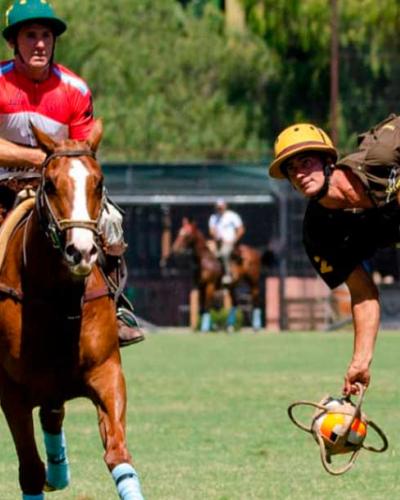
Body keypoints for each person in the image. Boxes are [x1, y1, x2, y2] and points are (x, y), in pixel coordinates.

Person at [0, 0, 144, 347]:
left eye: (46, 36)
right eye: (30, 35)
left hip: (59, 191)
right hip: (2, 186)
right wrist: (41, 158)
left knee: (110, 221)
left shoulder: (75, 89)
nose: (39, 44)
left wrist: (54, 168)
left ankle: (117, 307)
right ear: (13, 43)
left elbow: (83, 154)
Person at [268, 122, 400, 396]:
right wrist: (360, 362)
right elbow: (363, 294)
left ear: (328, 160)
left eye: (306, 162)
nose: (300, 174)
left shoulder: (383, 153)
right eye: (291, 170)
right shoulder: (319, 234)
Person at [208, 198, 245, 285]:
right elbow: (212, 230)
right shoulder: (213, 217)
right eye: (218, 207)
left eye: (221, 207)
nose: (220, 209)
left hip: (229, 242)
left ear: (225, 206)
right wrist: (216, 237)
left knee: (224, 253)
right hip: (218, 242)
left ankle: (227, 274)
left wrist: (234, 240)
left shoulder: (233, 216)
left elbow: (241, 229)